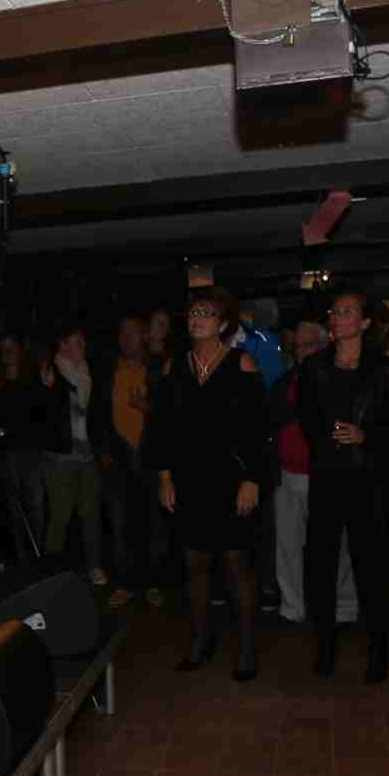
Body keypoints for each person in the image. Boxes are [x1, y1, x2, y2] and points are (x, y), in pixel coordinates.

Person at [147, 287, 268, 681]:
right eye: (193, 312)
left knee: (236, 565)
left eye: (206, 313)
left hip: (232, 479)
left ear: (224, 322)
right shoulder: (175, 366)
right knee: (194, 564)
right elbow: (162, 427)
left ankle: (246, 648)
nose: (197, 318)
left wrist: (252, 479)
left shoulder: (241, 362)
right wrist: (165, 477)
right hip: (189, 480)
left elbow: (257, 430)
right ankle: (200, 640)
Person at [292, 289, 389, 681]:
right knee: (320, 566)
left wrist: (366, 436)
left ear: (365, 322)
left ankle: (378, 652)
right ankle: (325, 648)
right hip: (327, 476)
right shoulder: (314, 366)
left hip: (369, 480)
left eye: (347, 311)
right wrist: (327, 442)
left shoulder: (382, 368)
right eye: (335, 311)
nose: (337, 317)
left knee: (371, 568)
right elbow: (307, 418)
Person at [272, 319, 354, 627]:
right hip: (288, 473)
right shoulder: (286, 380)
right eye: (297, 346)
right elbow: (272, 418)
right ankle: (292, 607)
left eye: (308, 345)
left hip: (328, 472)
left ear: (324, 345)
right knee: (288, 546)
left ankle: (344, 608)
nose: (301, 352)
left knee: (338, 546)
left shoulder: (338, 376)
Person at [99, 313, 163, 609]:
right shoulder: (108, 370)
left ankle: (153, 582)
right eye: (122, 333)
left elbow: (171, 414)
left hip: (150, 456)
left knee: (153, 525)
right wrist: (103, 450)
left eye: (133, 333)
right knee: (119, 525)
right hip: (118, 457)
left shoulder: (157, 370)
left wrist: (146, 407)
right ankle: (123, 584)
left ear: (145, 337)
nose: (127, 339)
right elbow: (97, 414)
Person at [38, 324, 105, 583]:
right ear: (64, 345)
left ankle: (94, 566)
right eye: (78, 342)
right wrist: (46, 384)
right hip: (60, 458)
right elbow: (41, 412)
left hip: (88, 456)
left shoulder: (88, 371)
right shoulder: (51, 372)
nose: (83, 346)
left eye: (83, 341)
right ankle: (51, 572)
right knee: (60, 516)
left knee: (91, 515)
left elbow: (96, 414)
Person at [0, 333, 48, 557]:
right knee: (14, 507)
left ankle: (37, 551)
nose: (8, 353)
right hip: (8, 452)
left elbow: (43, 413)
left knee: (36, 504)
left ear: (20, 350)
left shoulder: (33, 379)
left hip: (31, 450)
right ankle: (21, 555)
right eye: (3, 349)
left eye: (11, 347)